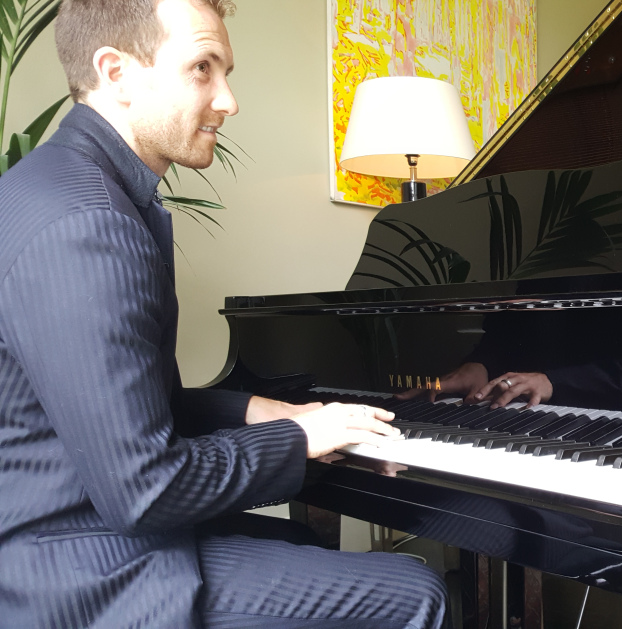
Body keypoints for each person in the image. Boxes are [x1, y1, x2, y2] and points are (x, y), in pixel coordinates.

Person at [0, 0, 446, 627]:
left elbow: (121, 413)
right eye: (202, 68)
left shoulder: (55, 183)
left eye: (225, 71)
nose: (229, 100)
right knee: (415, 590)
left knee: (303, 547)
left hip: (61, 529)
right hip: (82, 572)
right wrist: (299, 438)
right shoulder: (91, 225)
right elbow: (143, 488)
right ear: (116, 72)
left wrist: (253, 410)